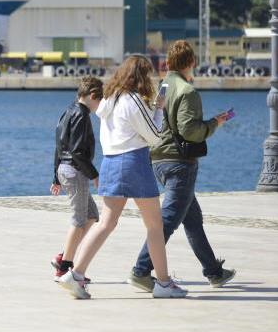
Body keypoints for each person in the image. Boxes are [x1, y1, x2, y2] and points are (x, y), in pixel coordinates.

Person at [56, 55, 187, 300]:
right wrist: (159, 108)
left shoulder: (109, 101)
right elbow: (155, 135)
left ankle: (75, 274)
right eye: (147, 75)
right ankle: (164, 283)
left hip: (111, 163)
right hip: (134, 162)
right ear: (140, 76)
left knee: (106, 223)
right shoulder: (133, 99)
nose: (150, 79)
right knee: (155, 225)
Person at [128, 40, 235, 290]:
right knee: (168, 220)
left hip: (159, 160)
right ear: (191, 62)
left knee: (192, 219)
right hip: (179, 163)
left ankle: (214, 271)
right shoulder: (187, 91)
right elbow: (189, 130)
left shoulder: (162, 88)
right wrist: (213, 124)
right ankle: (141, 270)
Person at [50, 76, 104, 277]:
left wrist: (56, 176)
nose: (99, 105)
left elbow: (59, 147)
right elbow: (77, 152)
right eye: (100, 100)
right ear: (92, 95)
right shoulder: (81, 115)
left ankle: (65, 255)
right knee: (79, 220)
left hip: (65, 169)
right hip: (75, 171)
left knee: (92, 215)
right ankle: (64, 266)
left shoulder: (67, 112)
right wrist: (94, 175)